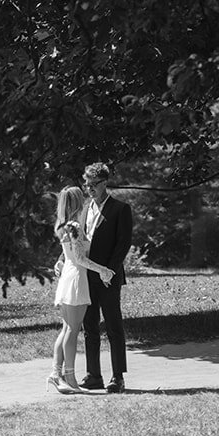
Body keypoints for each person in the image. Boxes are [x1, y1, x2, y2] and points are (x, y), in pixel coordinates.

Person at [48, 185, 114, 395]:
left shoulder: (63, 225)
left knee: (67, 328)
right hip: (76, 278)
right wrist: (103, 270)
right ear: (78, 202)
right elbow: (80, 258)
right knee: (73, 329)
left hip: (68, 276)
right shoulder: (75, 226)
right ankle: (69, 377)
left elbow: (70, 256)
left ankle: (55, 373)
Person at [79, 161, 133, 394]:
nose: (89, 188)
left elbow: (123, 243)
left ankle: (117, 376)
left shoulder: (120, 209)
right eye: (86, 184)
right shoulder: (84, 208)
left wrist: (108, 271)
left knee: (113, 325)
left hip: (108, 276)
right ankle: (93, 375)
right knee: (89, 326)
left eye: (94, 184)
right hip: (86, 274)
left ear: (105, 183)